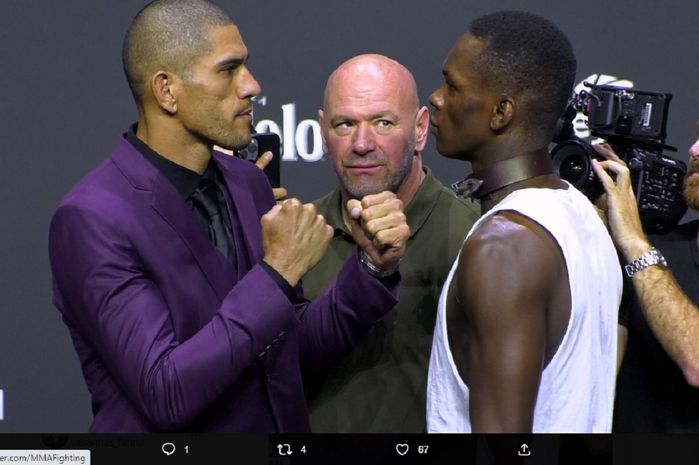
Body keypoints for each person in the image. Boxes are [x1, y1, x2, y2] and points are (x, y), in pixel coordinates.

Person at [48, 0, 409, 433]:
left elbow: (289, 353)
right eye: (228, 69)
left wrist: (370, 268)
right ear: (167, 90)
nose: (252, 86)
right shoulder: (92, 218)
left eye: (246, 66)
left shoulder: (246, 183)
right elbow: (167, 392)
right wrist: (277, 273)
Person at [425, 11, 622, 433]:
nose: (436, 98)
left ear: (501, 112)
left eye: (452, 86)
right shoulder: (580, 213)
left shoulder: (504, 247)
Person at [301, 54, 480, 433]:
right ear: (322, 131)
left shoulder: (475, 236)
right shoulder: (297, 236)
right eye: (345, 124)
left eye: (383, 123)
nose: (362, 143)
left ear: (419, 130)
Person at [593, 138, 699, 432]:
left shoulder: (642, 252)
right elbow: (599, 379)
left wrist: (634, 241)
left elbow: (697, 364)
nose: (694, 149)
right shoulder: (657, 250)